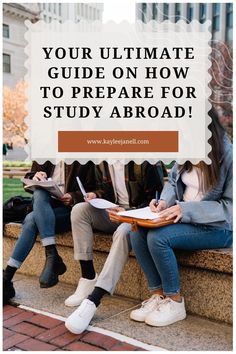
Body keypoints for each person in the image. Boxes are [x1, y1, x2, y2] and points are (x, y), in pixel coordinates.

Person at [128, 108, 232, 327]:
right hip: (185, 219)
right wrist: (164, 202)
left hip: (218, 227)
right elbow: (173, 182)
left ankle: (175, 302)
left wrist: (186, 210)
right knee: (135, 232)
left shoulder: (229, 157)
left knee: (158, 238)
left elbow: (229, 208)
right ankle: (157, 296)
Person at [65, 161, 165, 334]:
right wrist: (95, 194)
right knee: (79, 210)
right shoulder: (102, 161)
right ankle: (88, 277)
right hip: (114, 213)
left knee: (122, 232)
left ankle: (94, 299)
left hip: (138, 216)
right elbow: (105, 190)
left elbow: (158, 198)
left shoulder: (146, 160)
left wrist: (125, 214)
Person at [3, 160, 96, 305]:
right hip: (45, 206)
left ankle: (7, 277)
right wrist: (34, 176)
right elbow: (28, 183)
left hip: (69, 210)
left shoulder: (83, 155)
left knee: (31, 219)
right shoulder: (45, 150)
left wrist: (73, 196)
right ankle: (52, 254)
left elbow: (93, 187)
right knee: (40, 192)